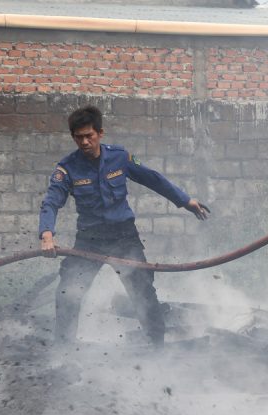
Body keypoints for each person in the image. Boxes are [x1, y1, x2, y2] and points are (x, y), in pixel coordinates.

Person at [38, 105, 209, 346]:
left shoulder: (119, 157)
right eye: (79, 137)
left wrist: (186, 201)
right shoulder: (66, 168)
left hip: (124, 237)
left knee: (144, 292)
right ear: (73, 137)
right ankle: (63, 353)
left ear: (100, 133)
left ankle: (157, 349)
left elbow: (153, 179)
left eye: (89, 135)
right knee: (68, 292)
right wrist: (46, 235)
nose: (85, 142)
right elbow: (51, 202)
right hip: (90, 239)